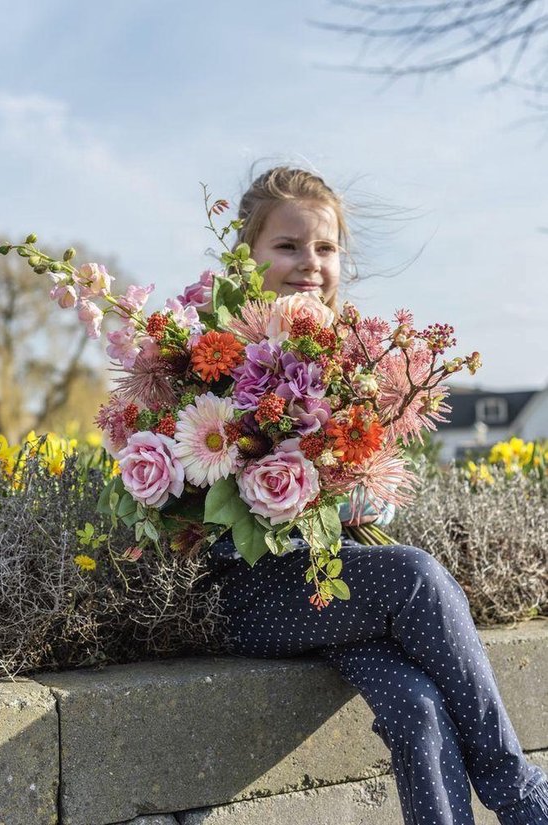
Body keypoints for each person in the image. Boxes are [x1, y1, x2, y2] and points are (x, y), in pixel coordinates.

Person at [203, 166, 548, 825]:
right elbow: (206, 481)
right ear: (245, 258)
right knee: (416, 576)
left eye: (325, 248)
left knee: (416, 705)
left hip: (333, 589)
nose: (310, 263)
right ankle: (524, 795)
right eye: (288, 246)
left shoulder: (349, 360)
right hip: (254, 593)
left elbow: (374, 492)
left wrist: (358, 492)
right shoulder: (217, 350)